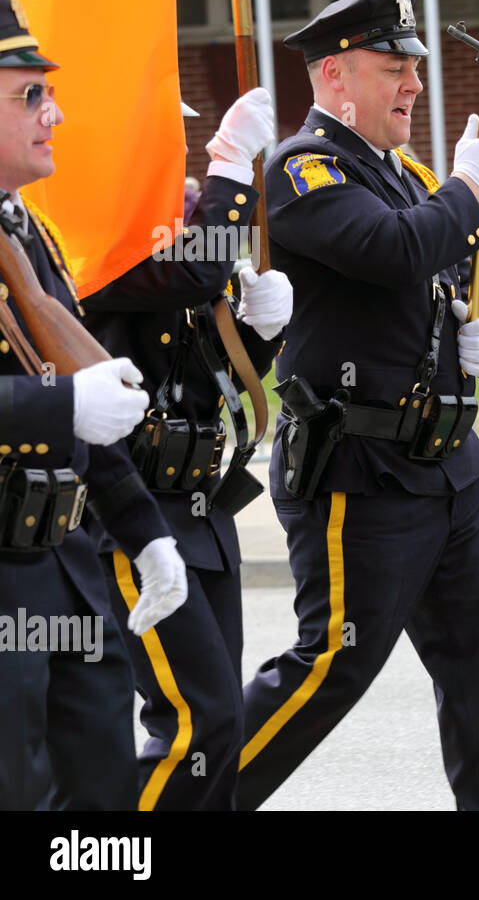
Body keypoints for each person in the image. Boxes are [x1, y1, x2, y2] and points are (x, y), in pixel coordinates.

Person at [237, 0, 479, 810]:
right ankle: (177, 801)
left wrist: (478, 344)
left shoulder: (405, 171)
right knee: (329, 670)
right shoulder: (301, 170)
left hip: (447, 470)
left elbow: (430, 286)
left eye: (414, 65)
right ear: (333, 75)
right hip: (360, 473)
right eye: (392, 65)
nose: (412, 83)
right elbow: (391, 250)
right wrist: (470, 191)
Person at [0, 0, 189, 809]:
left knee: (102, 802)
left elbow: (90, 397)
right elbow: (68, 403)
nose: (56, 114)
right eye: (29, 94)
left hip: (66, 568)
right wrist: (59, 409)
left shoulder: (29, 235)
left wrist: (147, 534)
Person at [79, 90, 287, 809]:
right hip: (131, 510)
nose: (179, 161)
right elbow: (193, 276)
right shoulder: (97, 234)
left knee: (215, 726)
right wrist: (232, 167)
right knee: (197, 722)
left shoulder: (182, 230)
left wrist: (263, 333)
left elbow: (212, 381)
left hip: (199, 512)